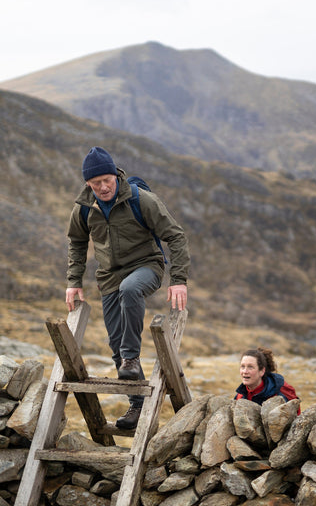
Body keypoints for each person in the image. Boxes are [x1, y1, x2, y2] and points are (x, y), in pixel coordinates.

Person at [66, 146, 190, 430]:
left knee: (131, 290)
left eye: (107, 180)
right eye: (96, 183)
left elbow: (176, 236)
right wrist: (73, 282)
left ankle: (131, 358)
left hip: (146, 266)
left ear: (115, 175)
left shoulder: (140, 200)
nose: (104, 187)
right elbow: (76, 242)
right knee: (115, 342)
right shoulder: (84, 208)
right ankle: (137, 406)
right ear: (88, 184)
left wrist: (179, 279)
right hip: (109, 276)